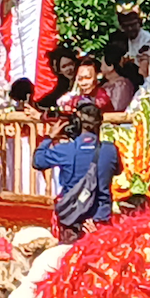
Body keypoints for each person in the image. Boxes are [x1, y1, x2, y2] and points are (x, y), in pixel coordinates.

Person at [33, 103, 120, 244]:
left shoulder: (66, 149)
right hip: (100, 221)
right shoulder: (110, 150)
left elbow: (38, 161)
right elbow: (117, 171)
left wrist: (49, 137)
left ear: (77, 124)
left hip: (73, 222)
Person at [100, 46, 135, 112]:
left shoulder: (122, 85)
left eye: (102, 64)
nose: (100, 68)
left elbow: (118, 106)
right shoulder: (107, 84)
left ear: (111, 66)